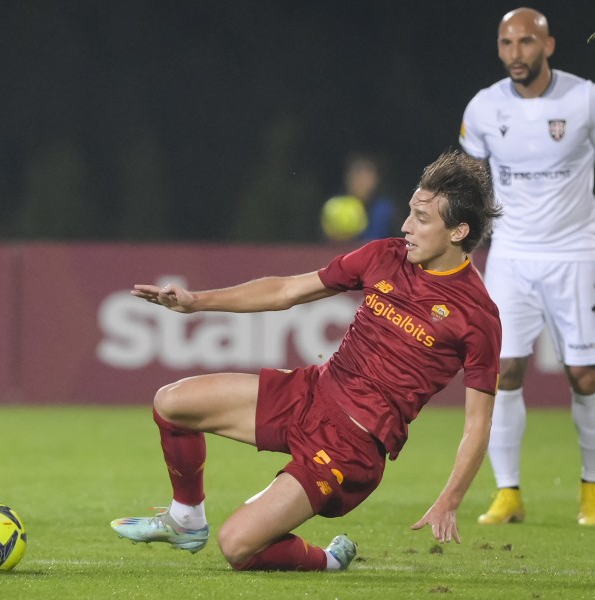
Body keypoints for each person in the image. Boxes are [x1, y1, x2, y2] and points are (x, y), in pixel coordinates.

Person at [110, 150, 503, 571]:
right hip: (311, 392)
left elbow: (477, 425)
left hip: (351, 447)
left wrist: (450, 499)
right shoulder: (384, 256)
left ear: (459, 230)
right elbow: (285, 291)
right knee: (171, 403)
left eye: (422, 219)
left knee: (237, 546)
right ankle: (186, 520)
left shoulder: (476, 316)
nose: (406, 226)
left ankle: (330, 560)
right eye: (409, 213)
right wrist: (196, 303)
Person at [459, 7, 595, 526]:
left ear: (549, 46)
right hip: (511, 256)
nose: (516, 53)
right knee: (502, 371)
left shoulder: (583, 99)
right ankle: (508, 494)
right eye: (506, 43)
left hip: (574, 254)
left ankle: (591, 490)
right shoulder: (485, 107)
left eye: (526, 42)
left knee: (583, 375)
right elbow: (471, 182)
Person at [322, 155, 399, 243]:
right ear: (347, 178)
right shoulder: (333, 206)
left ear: (375, 180)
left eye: (366, 176)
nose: (361, 181)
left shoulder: (385, 210)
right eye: (357, 175)